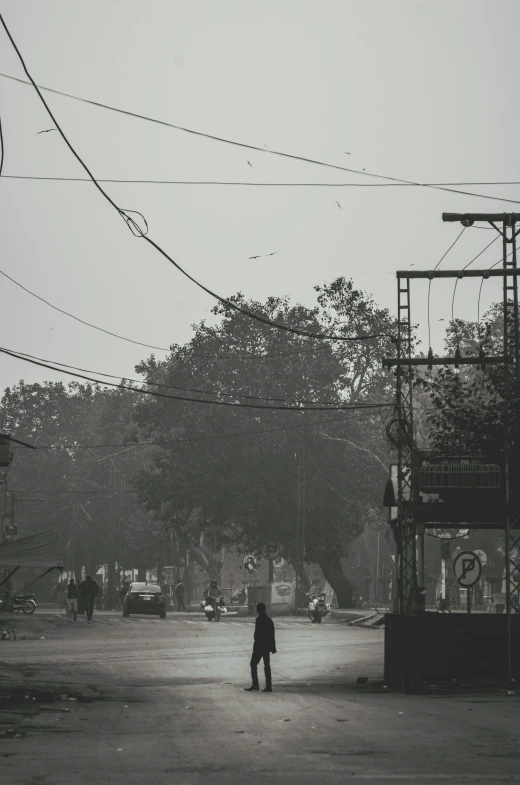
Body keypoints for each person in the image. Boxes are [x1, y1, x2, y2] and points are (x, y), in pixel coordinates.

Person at [245, 602, 276, 693]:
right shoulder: (269, 620)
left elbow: (256, 635)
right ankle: (268, 685)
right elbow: (272, 635)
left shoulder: (259, 620)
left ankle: (255, 684)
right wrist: (273, 647)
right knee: (267, 665)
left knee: (253, 664)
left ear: (258, 610)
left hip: (259, 646)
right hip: (266, 646)